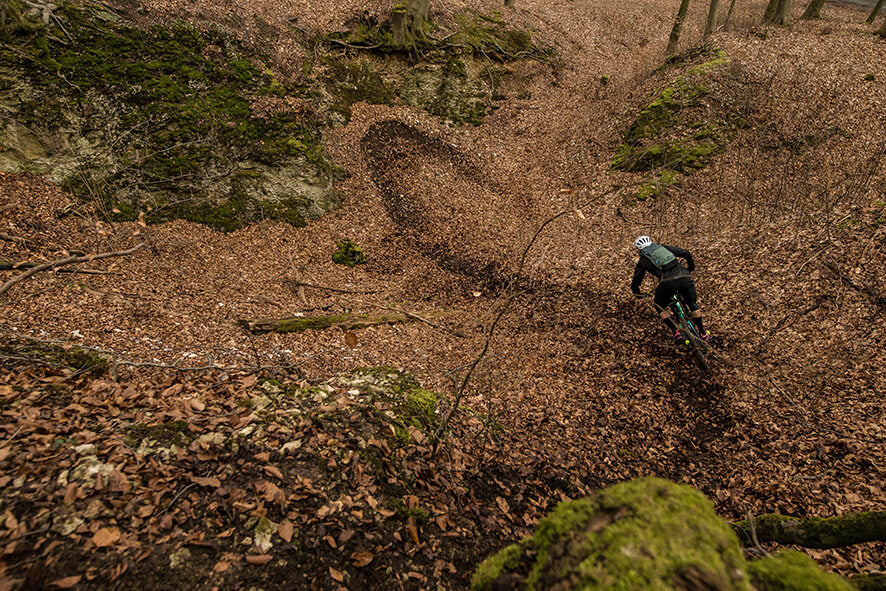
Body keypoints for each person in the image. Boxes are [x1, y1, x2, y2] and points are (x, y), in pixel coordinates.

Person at [630, 235, 709, 341]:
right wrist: (690, 267)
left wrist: (637, 292)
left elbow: (637, 278)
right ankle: (703, 332)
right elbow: (685, 253)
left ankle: (676, 332)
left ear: (639, 249)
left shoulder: (643, 260)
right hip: (684, 276)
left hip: (667, 282)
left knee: (658, 305)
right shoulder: (663, 248)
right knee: (692, 303)